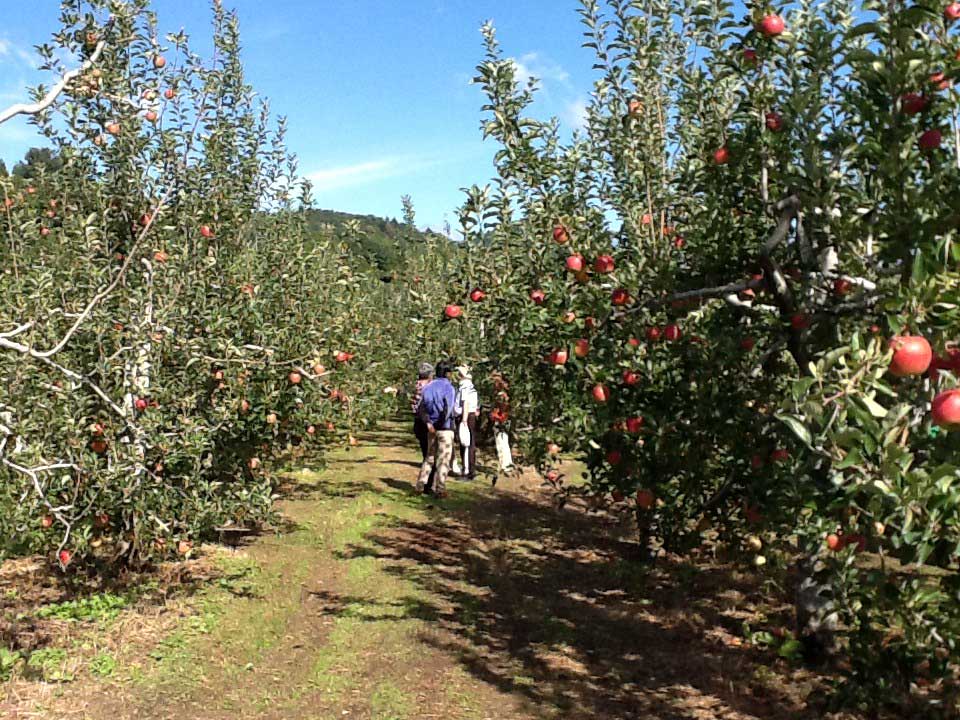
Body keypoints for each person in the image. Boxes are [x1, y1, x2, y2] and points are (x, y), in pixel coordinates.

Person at [415, 361, 457, 498]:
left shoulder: (428, 387)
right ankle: (440, 489)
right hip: (444, 428)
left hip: (431, 428)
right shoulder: (449, 388)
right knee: (443, 459)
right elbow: (448, 409)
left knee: (429, 458)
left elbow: (421, 408)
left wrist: (428, 423)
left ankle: (420, 486)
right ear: (447, 373)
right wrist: (441, 424)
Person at [454, 365, 479, 480]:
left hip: (466, 417)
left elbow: (466, 403)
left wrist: (463, 420)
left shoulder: (464, 387)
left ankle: (468, 471)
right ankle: (469, 469)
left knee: (466, 444)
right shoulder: (471, 387)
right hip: (470, 416)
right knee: (469, 443)